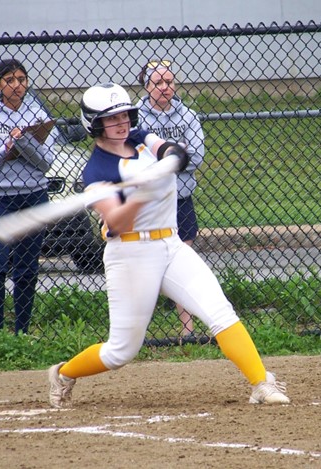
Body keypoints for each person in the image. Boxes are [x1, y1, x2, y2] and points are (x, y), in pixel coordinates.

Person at [47, 82, 290, 408]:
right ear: (94, 124)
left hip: (171, 245)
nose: (121, 122)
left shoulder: (139, 137)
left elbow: (173, 151)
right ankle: (63, 373)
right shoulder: (97, 172)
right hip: (132, 255)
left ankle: (261, 383)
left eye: (125, 115)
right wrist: (139, 196)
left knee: (220, 313)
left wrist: (170, 156)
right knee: (122, 350)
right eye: (111, 118)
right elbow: (117, 223)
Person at [0, 58, 56, 335]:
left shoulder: (37, 113)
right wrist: (6, 148)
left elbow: (46, 163)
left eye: (21, 79)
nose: (17, 85)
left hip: (33, 197)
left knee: (26, 270)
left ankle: (22, 332)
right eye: (9, 80)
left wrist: (24, 142)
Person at [136, 59, 205, 339]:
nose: (165, 88)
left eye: (169, 82)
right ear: (147, 86)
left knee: (182, 260)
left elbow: (197, 156)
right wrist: (178, 153)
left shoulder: (187, 114)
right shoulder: (137, 117)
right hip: (151, 202)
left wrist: (160, 157)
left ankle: (187, 330)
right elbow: (138, 159)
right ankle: (137, 329)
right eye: (158, 83)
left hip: (181, 199)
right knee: (149, 263)